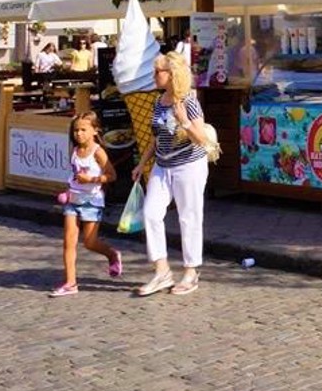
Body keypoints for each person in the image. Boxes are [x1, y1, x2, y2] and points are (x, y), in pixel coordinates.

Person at [132, 51, 210, 297]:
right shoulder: (159, 101)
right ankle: (162, 270)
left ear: (172, 74)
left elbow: (203, 140)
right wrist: (141, 163)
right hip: (163, 165)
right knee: (151, 213)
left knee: (189, 217)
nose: (155, 76)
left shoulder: (188, 101)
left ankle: (191, 270)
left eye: (158, 72)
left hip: (189, 165)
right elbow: (156, 138)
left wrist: (184, 121)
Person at [48, 111, 121, 296]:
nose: (78, 134)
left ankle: (112, 254)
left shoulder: (98, 152)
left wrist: (91, 179)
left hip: (92, 201)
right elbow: (74, 174)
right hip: (73, 200)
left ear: (95, 131)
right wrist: (68, 189)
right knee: (68, 242)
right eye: (75, 130)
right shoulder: (74, 150)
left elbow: (112, 175)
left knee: (89, 242)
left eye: (83, 130)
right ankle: (70, 283)